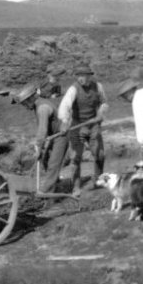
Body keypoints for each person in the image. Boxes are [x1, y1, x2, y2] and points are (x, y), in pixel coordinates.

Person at [58, 65, 109, 196]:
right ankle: (76, 187)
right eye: (78, 76)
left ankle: (98, 180)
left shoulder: (98, 87)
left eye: (83, 76)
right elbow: (65, 106)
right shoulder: (73, 89)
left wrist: (101, 112)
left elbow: (104, 102)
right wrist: (64, 122)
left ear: (89, 76)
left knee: (100, 154)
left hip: (93, 125)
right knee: (75, 157)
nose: (80, 79)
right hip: (77, 126)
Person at [14, 82, 69, 194]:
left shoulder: (42, 108)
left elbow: (42, 129)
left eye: (24, 103)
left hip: (61, 135)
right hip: (52, 136)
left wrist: (39, 146)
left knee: (54, 163)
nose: (25, 106)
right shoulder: (38, 105)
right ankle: (56, 183)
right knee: (45, 159)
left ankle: (46, 191)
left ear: (31, 99)